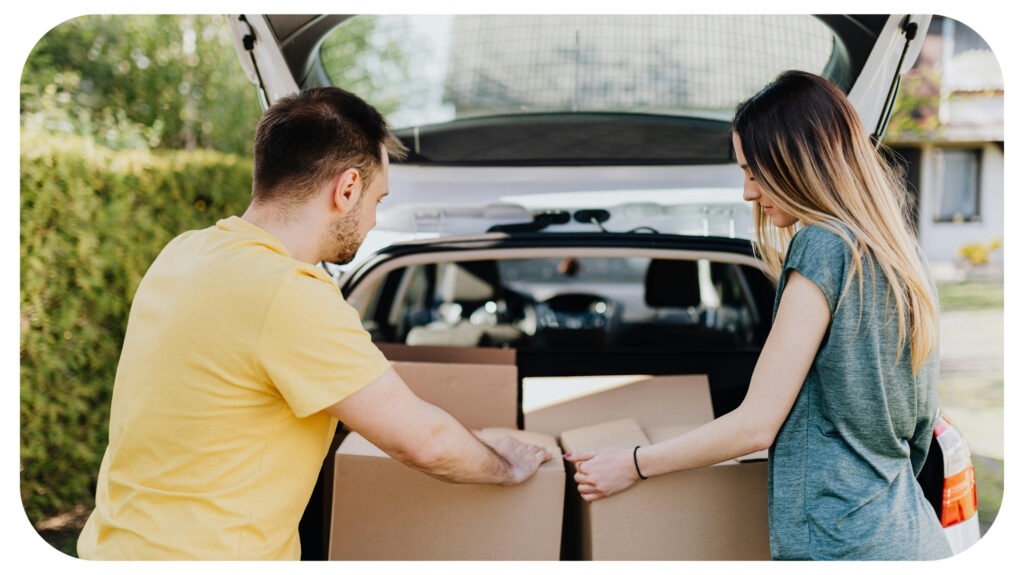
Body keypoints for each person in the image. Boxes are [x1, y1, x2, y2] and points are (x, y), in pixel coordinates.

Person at [77, 87, 551, 560]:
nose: (371, 220)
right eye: (377, 200)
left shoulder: (183, 252)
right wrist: (507, 466)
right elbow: (425, 444)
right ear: (346, 189)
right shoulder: (289, 294)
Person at [564, 71, 952, 560]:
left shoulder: (822, 246)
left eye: (754, 171)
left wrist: (633, 464)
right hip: (910, 533)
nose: (748, 192)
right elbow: (916, 431)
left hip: (841, 545)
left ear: (797, 162)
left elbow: (755, 425)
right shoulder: (902, 257)